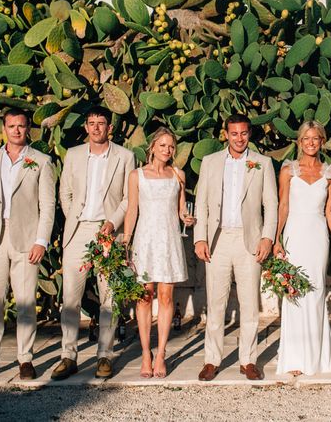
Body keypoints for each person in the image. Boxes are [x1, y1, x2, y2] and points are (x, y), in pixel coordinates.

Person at [0, 108, 56, 381]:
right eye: (11, 125)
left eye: (21, 125)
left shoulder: (40, 161)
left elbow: (48, 204)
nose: (16, 130)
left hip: (26, 239)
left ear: (28, 128)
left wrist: (41, 240)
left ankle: (25, 359)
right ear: (3, 128)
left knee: (26, 301)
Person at [51, 106, 135, 381]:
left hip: (108, 231)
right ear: (86, 127)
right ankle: (68, 355)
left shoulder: (125, 156)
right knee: (71, 298)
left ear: (110, 127)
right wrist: (74, 216)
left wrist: (112, 223)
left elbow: (128, 197)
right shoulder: (74, 155)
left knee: (108, 297)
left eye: (101, 123)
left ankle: (104, 355)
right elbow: (65, 190)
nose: (96, 127)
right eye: (91, 123)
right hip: (78, 233)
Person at [193, 113, 278, 381]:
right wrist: (200, 238)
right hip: (217, 239)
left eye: (243, 133)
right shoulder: (210, 162)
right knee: (215, 303)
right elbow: (202, 203)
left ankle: (248, 360)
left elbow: (271, 204)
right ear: (226, 134)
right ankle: (212, 360)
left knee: (250, 303)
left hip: (248, 240)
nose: (238, 138)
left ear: (249, 134)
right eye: (234, 133)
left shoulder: (262, 163)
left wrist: (267, 237)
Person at [123, 127, 194, 378]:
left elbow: (180, 210)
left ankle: (161, 353)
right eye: (162, 145)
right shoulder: (137, 175)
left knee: (165, 297)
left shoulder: (178, 174)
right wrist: (126, 240)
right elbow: (132, 209)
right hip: (145, 239)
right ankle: (145, 352)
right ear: (152, 147)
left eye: (171, 146)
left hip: (169, 239)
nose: (167, 150)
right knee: (144, 296)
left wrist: (187, 218)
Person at [273, 120, 331, 376]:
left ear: (322, 141)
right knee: (294, 291)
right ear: (299, 142)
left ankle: (317, 357)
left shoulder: (330, 172)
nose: (311, 143)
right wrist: (276, 239)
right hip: (294, 234)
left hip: (318, 235)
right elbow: (283, 207)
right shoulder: (288, 170)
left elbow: (330, 210)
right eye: (306, 139)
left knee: (317, 290)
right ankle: (296, 358)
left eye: (315, 138)